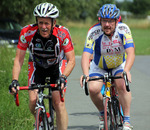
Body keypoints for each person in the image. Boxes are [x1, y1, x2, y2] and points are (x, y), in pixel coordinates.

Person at [9, 2, 75, 130]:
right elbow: (18, 60)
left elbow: (71, 60)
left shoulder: (62, 34)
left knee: (58, 102)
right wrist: (14, 80)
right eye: (40, 23)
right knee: (33, 102)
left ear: (54, 23)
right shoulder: (27, 32)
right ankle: (41, 119)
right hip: (36, 65)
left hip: (57, 66)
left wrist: (64, 77)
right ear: (36, 22)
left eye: (47, 23)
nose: (43, 27)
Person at [80, 4, 134, 130]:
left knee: (122, 84)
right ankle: (102, 113)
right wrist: (85, 73)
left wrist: (126, 70)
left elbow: (130, 52)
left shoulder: (123, 29)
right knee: (93, 88)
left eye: (110, 21)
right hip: (99, 66)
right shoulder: (94, 31)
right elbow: (85, 54)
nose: (107, 24)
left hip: (118, 64)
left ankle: (126, 120)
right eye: (104, 21)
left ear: (117, 21)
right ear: (100, 20)